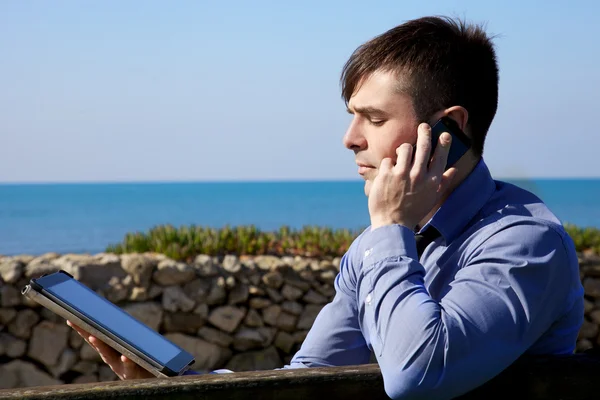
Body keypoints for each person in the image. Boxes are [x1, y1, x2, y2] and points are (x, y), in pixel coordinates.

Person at [68, 15, 584, 400]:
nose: (349, 139)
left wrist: (389, 226)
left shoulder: (525, 243)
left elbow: (420, 372)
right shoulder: (378, 248)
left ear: (448, 129)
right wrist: (181, 386)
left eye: (374, 118)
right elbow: (307, 380)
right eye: (351, 116)